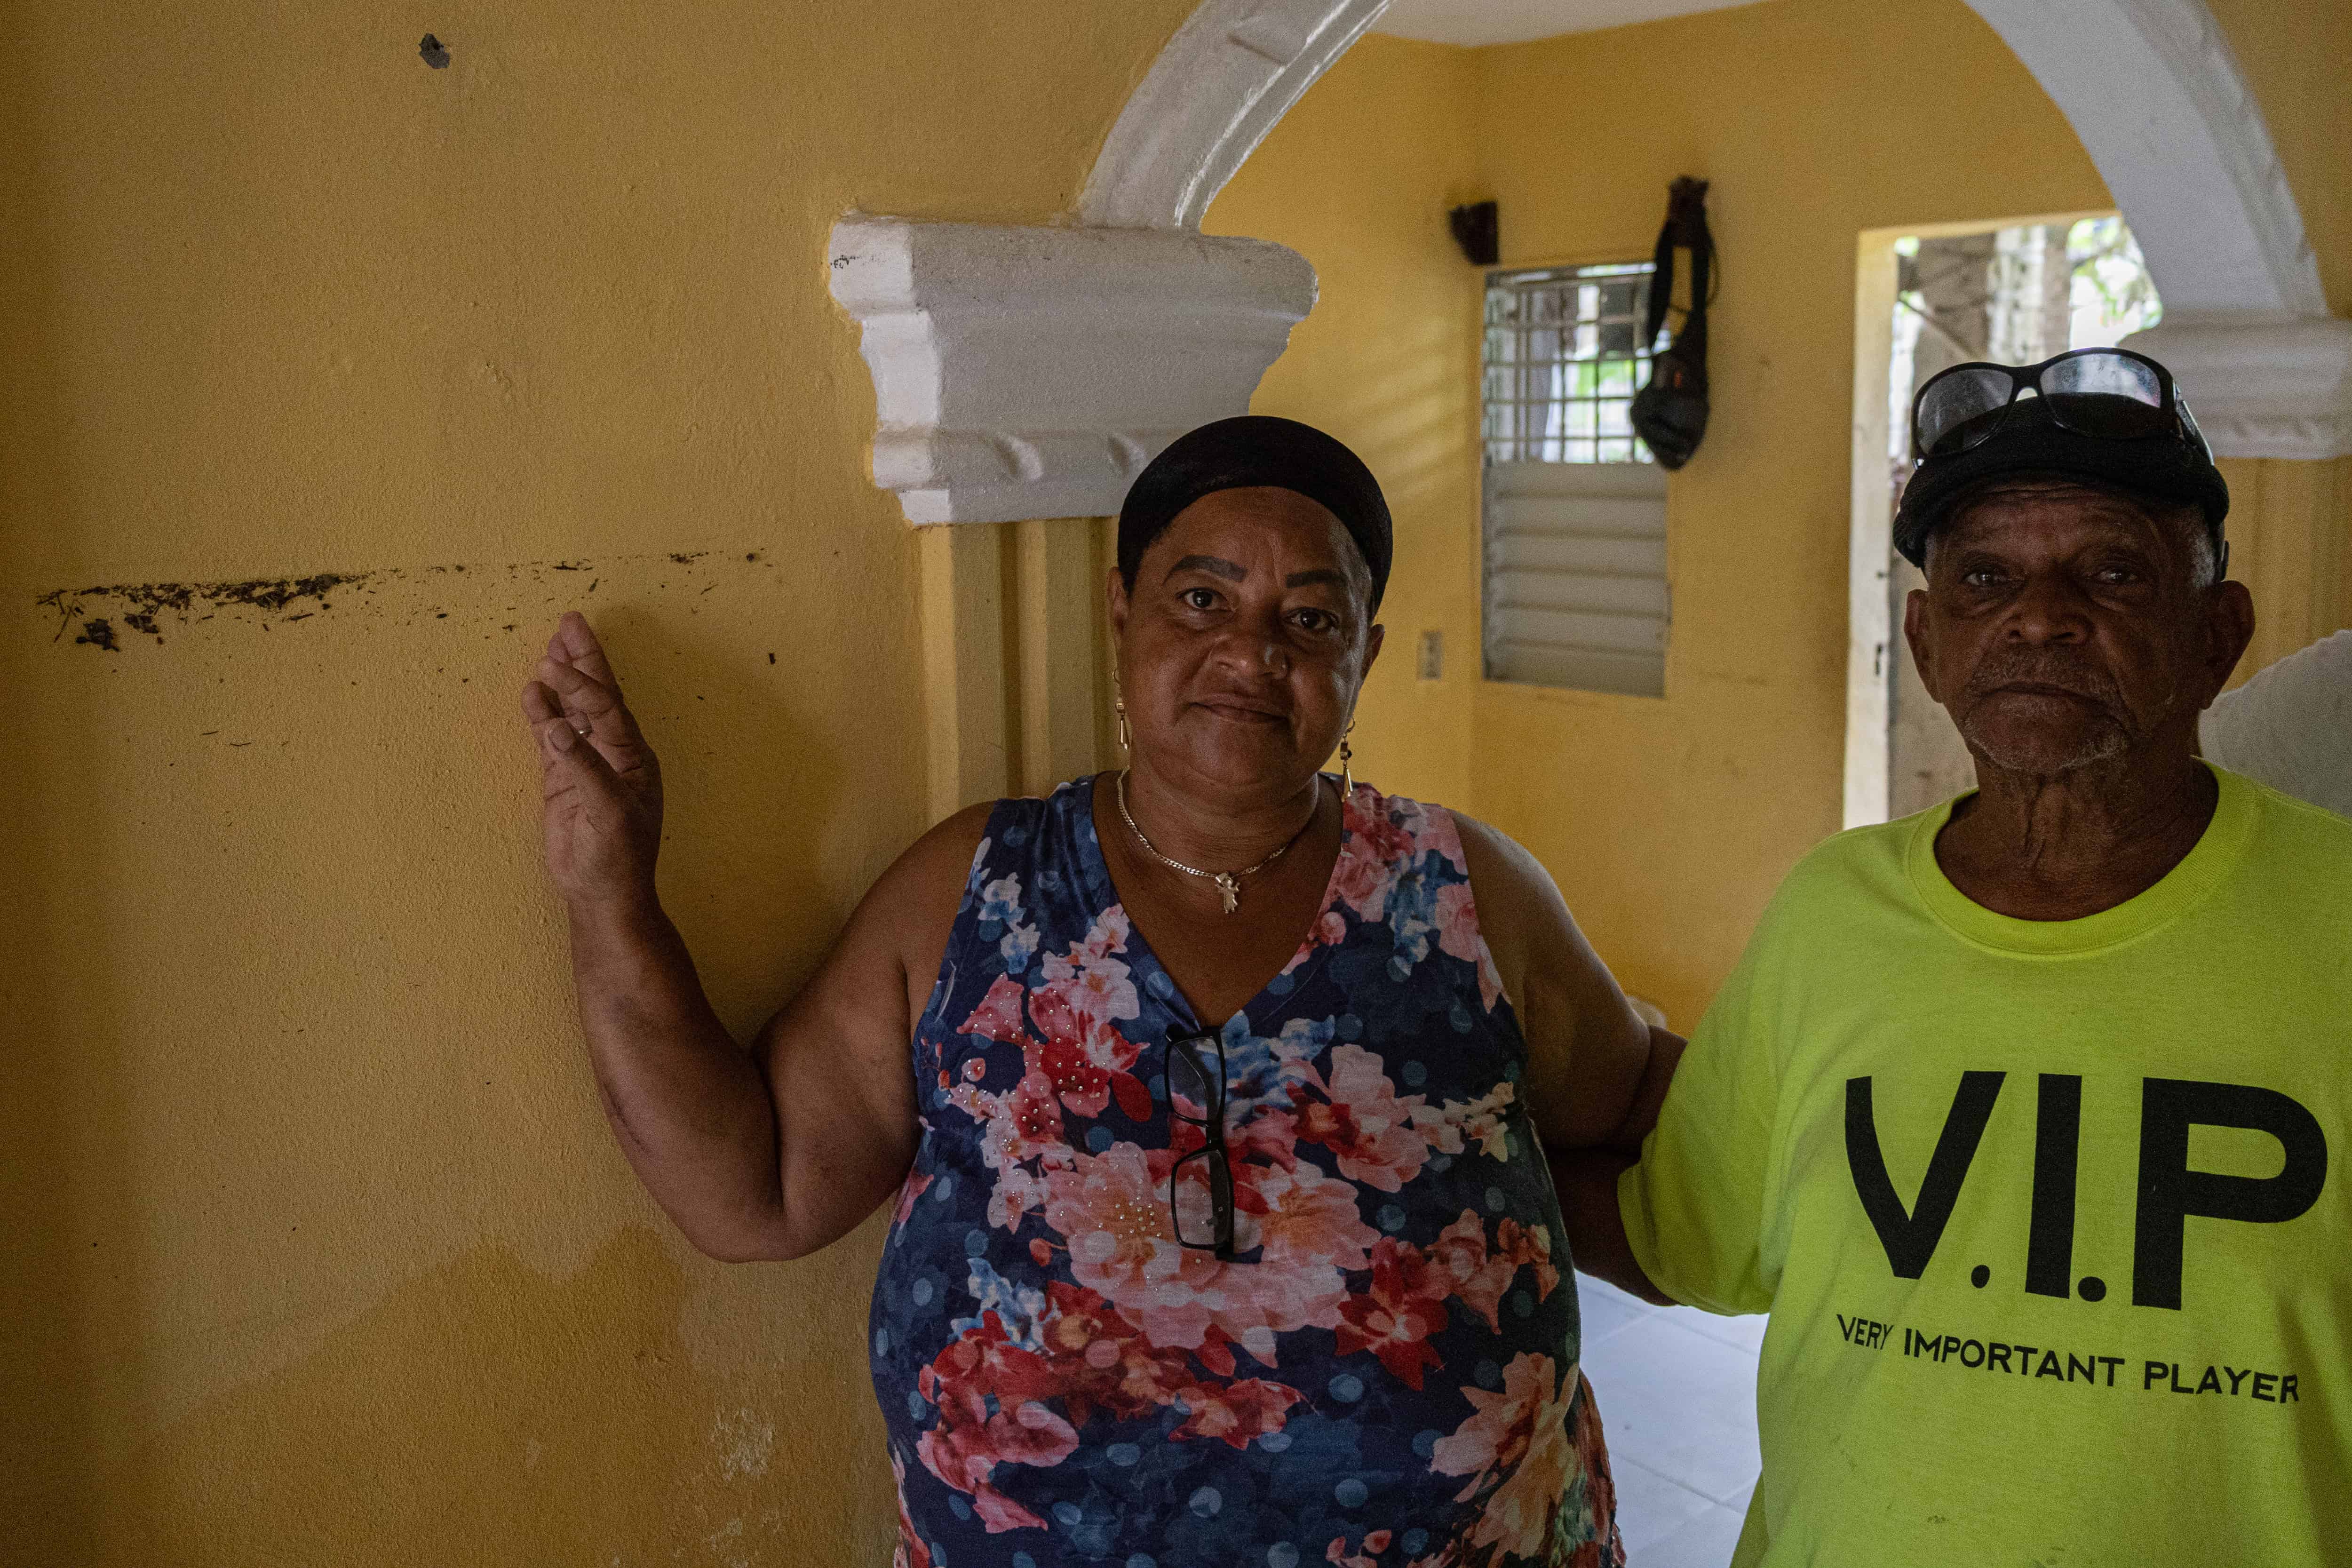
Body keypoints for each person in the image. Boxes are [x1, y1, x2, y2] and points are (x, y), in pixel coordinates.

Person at [520, 416, 1681, 1568]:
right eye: (1201, 598)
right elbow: (756, 1191)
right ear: (1120, 608)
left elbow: (1644, 1115)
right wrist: (611, 892)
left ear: (1362, 657)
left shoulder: (1460, 894)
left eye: (1310, 618)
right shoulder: (974, 890)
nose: (1250, 651)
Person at [1569, 348, 2352, 1566]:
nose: (2041, 612)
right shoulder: (1834, 912)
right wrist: (1408, 1141)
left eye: (2111, 569)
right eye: (1987, 576)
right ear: (1931, 644)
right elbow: (1693, 1234)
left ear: (2218, 637)